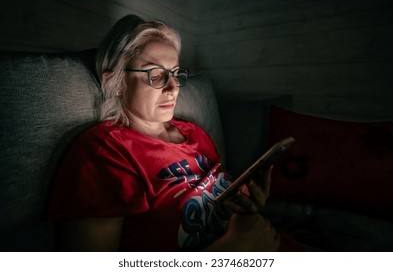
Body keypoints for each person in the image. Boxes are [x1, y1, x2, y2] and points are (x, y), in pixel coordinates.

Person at [43, 14, 285, 252]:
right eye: (155, 75)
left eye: (176, 73)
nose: (173, 88)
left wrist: (246, 203)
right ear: (114, 83)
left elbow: (216, 197)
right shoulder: (103, 153)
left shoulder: (195, 132)